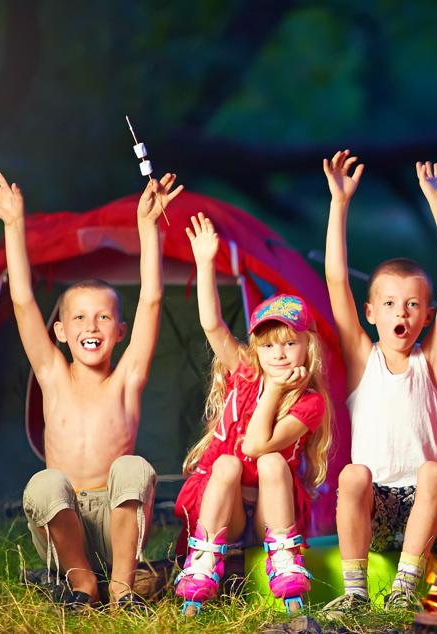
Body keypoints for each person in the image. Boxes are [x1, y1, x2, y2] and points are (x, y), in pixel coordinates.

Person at [0, 166, 180, 610]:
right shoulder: (52, 374)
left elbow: (151, 299)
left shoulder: (126, 380)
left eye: (104, 317)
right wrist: (14, 226)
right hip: (63, 524)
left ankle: (124, 585)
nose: (92, 326)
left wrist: (148, 229)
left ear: (120, 331)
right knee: (46, 482)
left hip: (118, 523)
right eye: (80, 318)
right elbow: (22, 299)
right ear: (61, 332)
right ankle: (82, 582)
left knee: (133, 467)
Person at [320, 151, 437, 612]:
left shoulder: (432, 360)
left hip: (420, 507)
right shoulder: (363, 358)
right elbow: (336, 279)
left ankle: (404, 586)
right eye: (389, 304)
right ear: (370, 313)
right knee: (353, 473)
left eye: (412, 305)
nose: (400, 313)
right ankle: (355, 591)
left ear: (427, 315)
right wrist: (339, 204)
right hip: (373, 508)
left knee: (436, 470)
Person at [173, 216, 333, 615]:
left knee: (273, 462)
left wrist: (278, 390)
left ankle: (282, 556)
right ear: (256, 351)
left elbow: (257, 444)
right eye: (268, 346)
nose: (278, 354)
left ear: (307, 347)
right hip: (223, 502)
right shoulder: (244, 372)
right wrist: (207, 263)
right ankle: (204, 560)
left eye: (289, 343)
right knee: (225, 464)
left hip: (267, 510)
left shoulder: (308, 402)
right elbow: (212, 325)